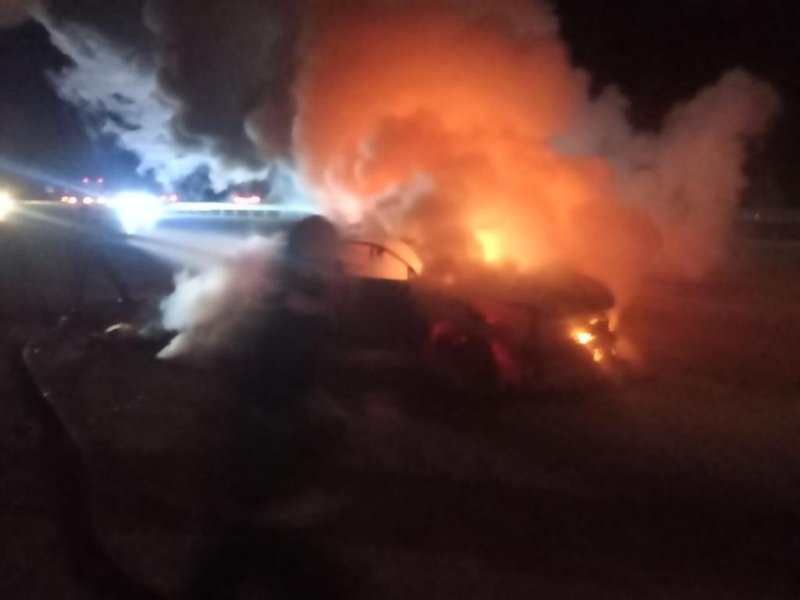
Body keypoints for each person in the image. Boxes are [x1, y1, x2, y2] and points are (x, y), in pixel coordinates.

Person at [184, 216, 346, 600]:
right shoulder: (285, 325)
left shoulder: (291, 317)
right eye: (329, 260)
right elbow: (268, 400)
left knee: (229, 569)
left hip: (260, 490)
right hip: (262, 488)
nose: (338, 272)